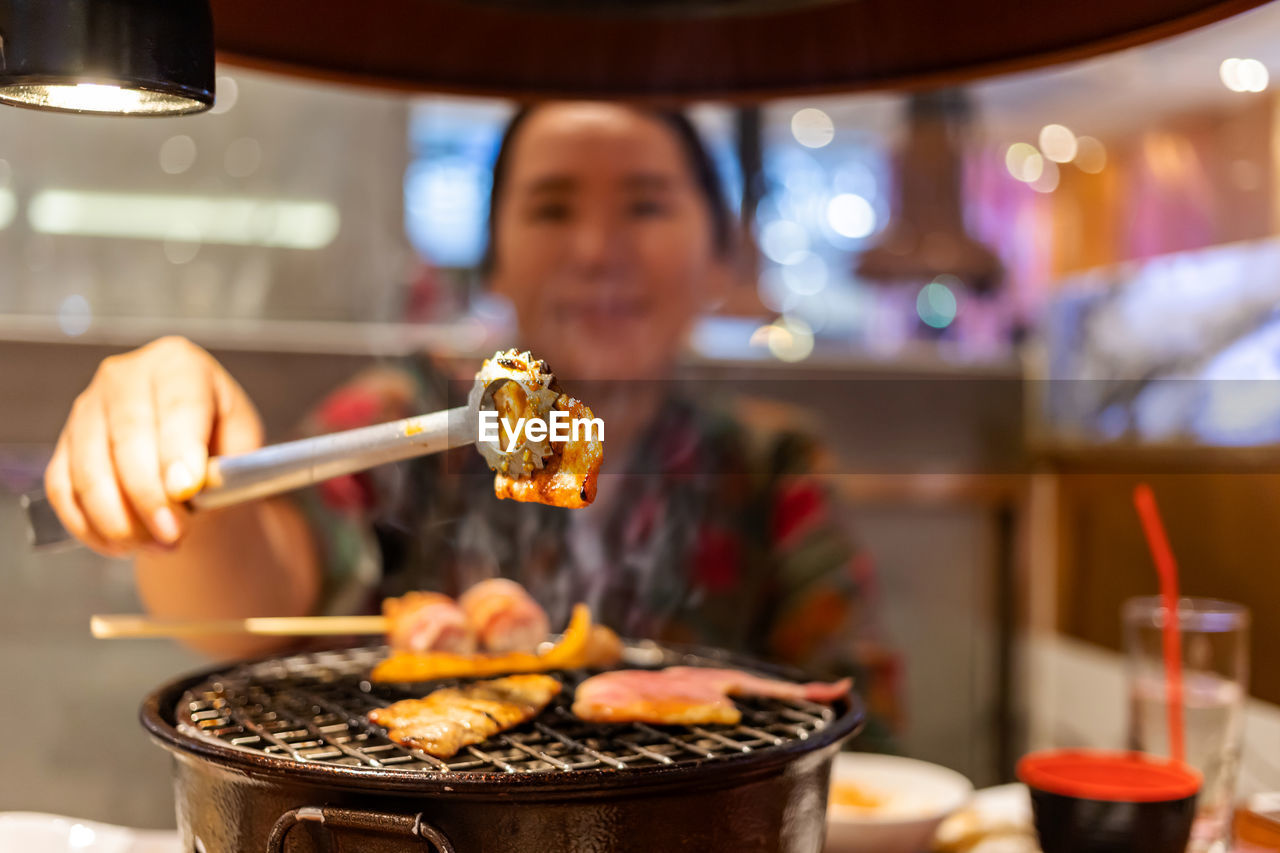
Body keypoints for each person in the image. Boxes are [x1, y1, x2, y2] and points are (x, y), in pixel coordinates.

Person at [44, 102, 899, 747]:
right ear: (494, 255)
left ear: (722, 252)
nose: (597, 249)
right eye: (553, 208)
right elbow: (248, 597)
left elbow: (860, 731)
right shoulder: (410, 416)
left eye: (644, 206)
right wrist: (175, 455)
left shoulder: (765, 460)